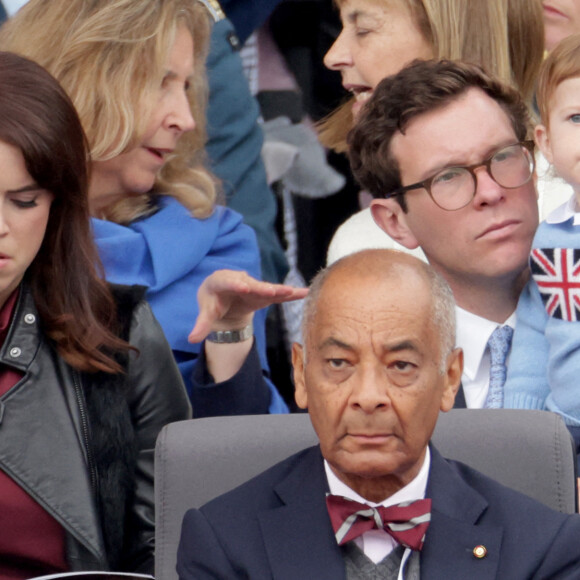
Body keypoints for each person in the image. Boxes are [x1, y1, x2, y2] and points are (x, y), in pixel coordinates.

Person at [176, 249, 580, 579]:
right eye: (338, 363)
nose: (368, 397)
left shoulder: (541, 548)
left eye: (401, 365)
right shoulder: (223, 543)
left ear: (449, 378)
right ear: (300, 373)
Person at [0, 0, 307, 417]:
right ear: (81, 81)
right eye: (160, 83)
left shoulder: (218, 241)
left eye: (186, 87)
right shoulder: (14, 237)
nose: (186, 118)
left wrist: (227, 340)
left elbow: (245, 444)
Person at [0, 51, 189, 576]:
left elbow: (166, 549)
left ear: (58, 205)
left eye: (23, 200)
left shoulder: (119, 333)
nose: (0, 226)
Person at [347, 59, 539, 410]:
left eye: (503, 156)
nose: (490, 192)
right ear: (395, 223)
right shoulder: (374, 379)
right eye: (449, 177)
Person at [323, 0, 571, 264]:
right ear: (393, 221)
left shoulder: (568, 212)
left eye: (364, 28)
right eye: (446, 177)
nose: (333, 57)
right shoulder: (363, 247)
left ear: (454, 35)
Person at [504, 34, 580, 459]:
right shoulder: (549, 239)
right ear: (546, 141)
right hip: (563, 430)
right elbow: (535, 333)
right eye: (577, 118)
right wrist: (520, 422)